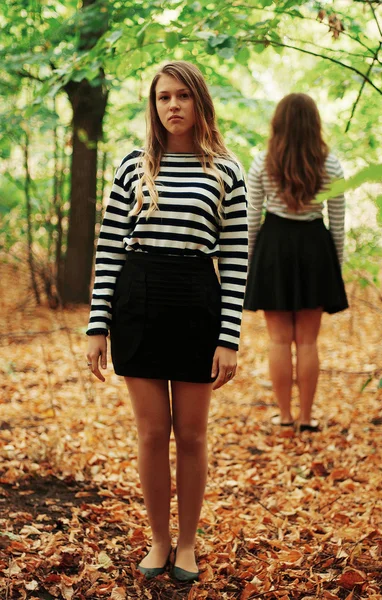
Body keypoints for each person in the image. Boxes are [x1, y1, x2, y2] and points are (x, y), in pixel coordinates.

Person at [86, 61, 248, 581]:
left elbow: (236, 257)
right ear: (153, 107)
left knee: (193, 435)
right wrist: (97, 325)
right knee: (153, 433)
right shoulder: (133, 166)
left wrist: (229, 338)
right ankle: (158, 540)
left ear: (199, 100)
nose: (172, 105)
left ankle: (188, 545)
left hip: (197, 303)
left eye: (182, 95)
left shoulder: (226, 169)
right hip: (138, 302)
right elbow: (110, 247)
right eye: (163, 98)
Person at [244, 93, 348, 433]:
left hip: (273, 247)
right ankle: (306, 419)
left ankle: (285, 417)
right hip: (314, 249)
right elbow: (338, 222)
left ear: (278, 122)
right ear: (314, 123)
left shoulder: (263, 162)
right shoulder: (330, 164)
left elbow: (250, 218)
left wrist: (249, 262)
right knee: (307, 340)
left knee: (278, 339)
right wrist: (335, 267)